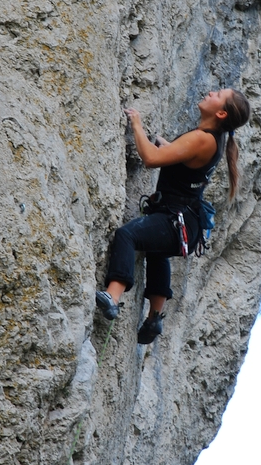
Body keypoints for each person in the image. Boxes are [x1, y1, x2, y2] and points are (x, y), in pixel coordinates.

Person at [95, 88, 251, 343]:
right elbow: (181, 159)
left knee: (128, 235)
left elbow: (151, 159)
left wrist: (136, 124)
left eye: (217, 94)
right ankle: (154, 317)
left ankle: (112, 298)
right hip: (185, 222)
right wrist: (164, 144)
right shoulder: (213, 140)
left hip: (176, 219)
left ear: (221, 112)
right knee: (157, 251)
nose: (210, 92)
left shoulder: (203, 138)